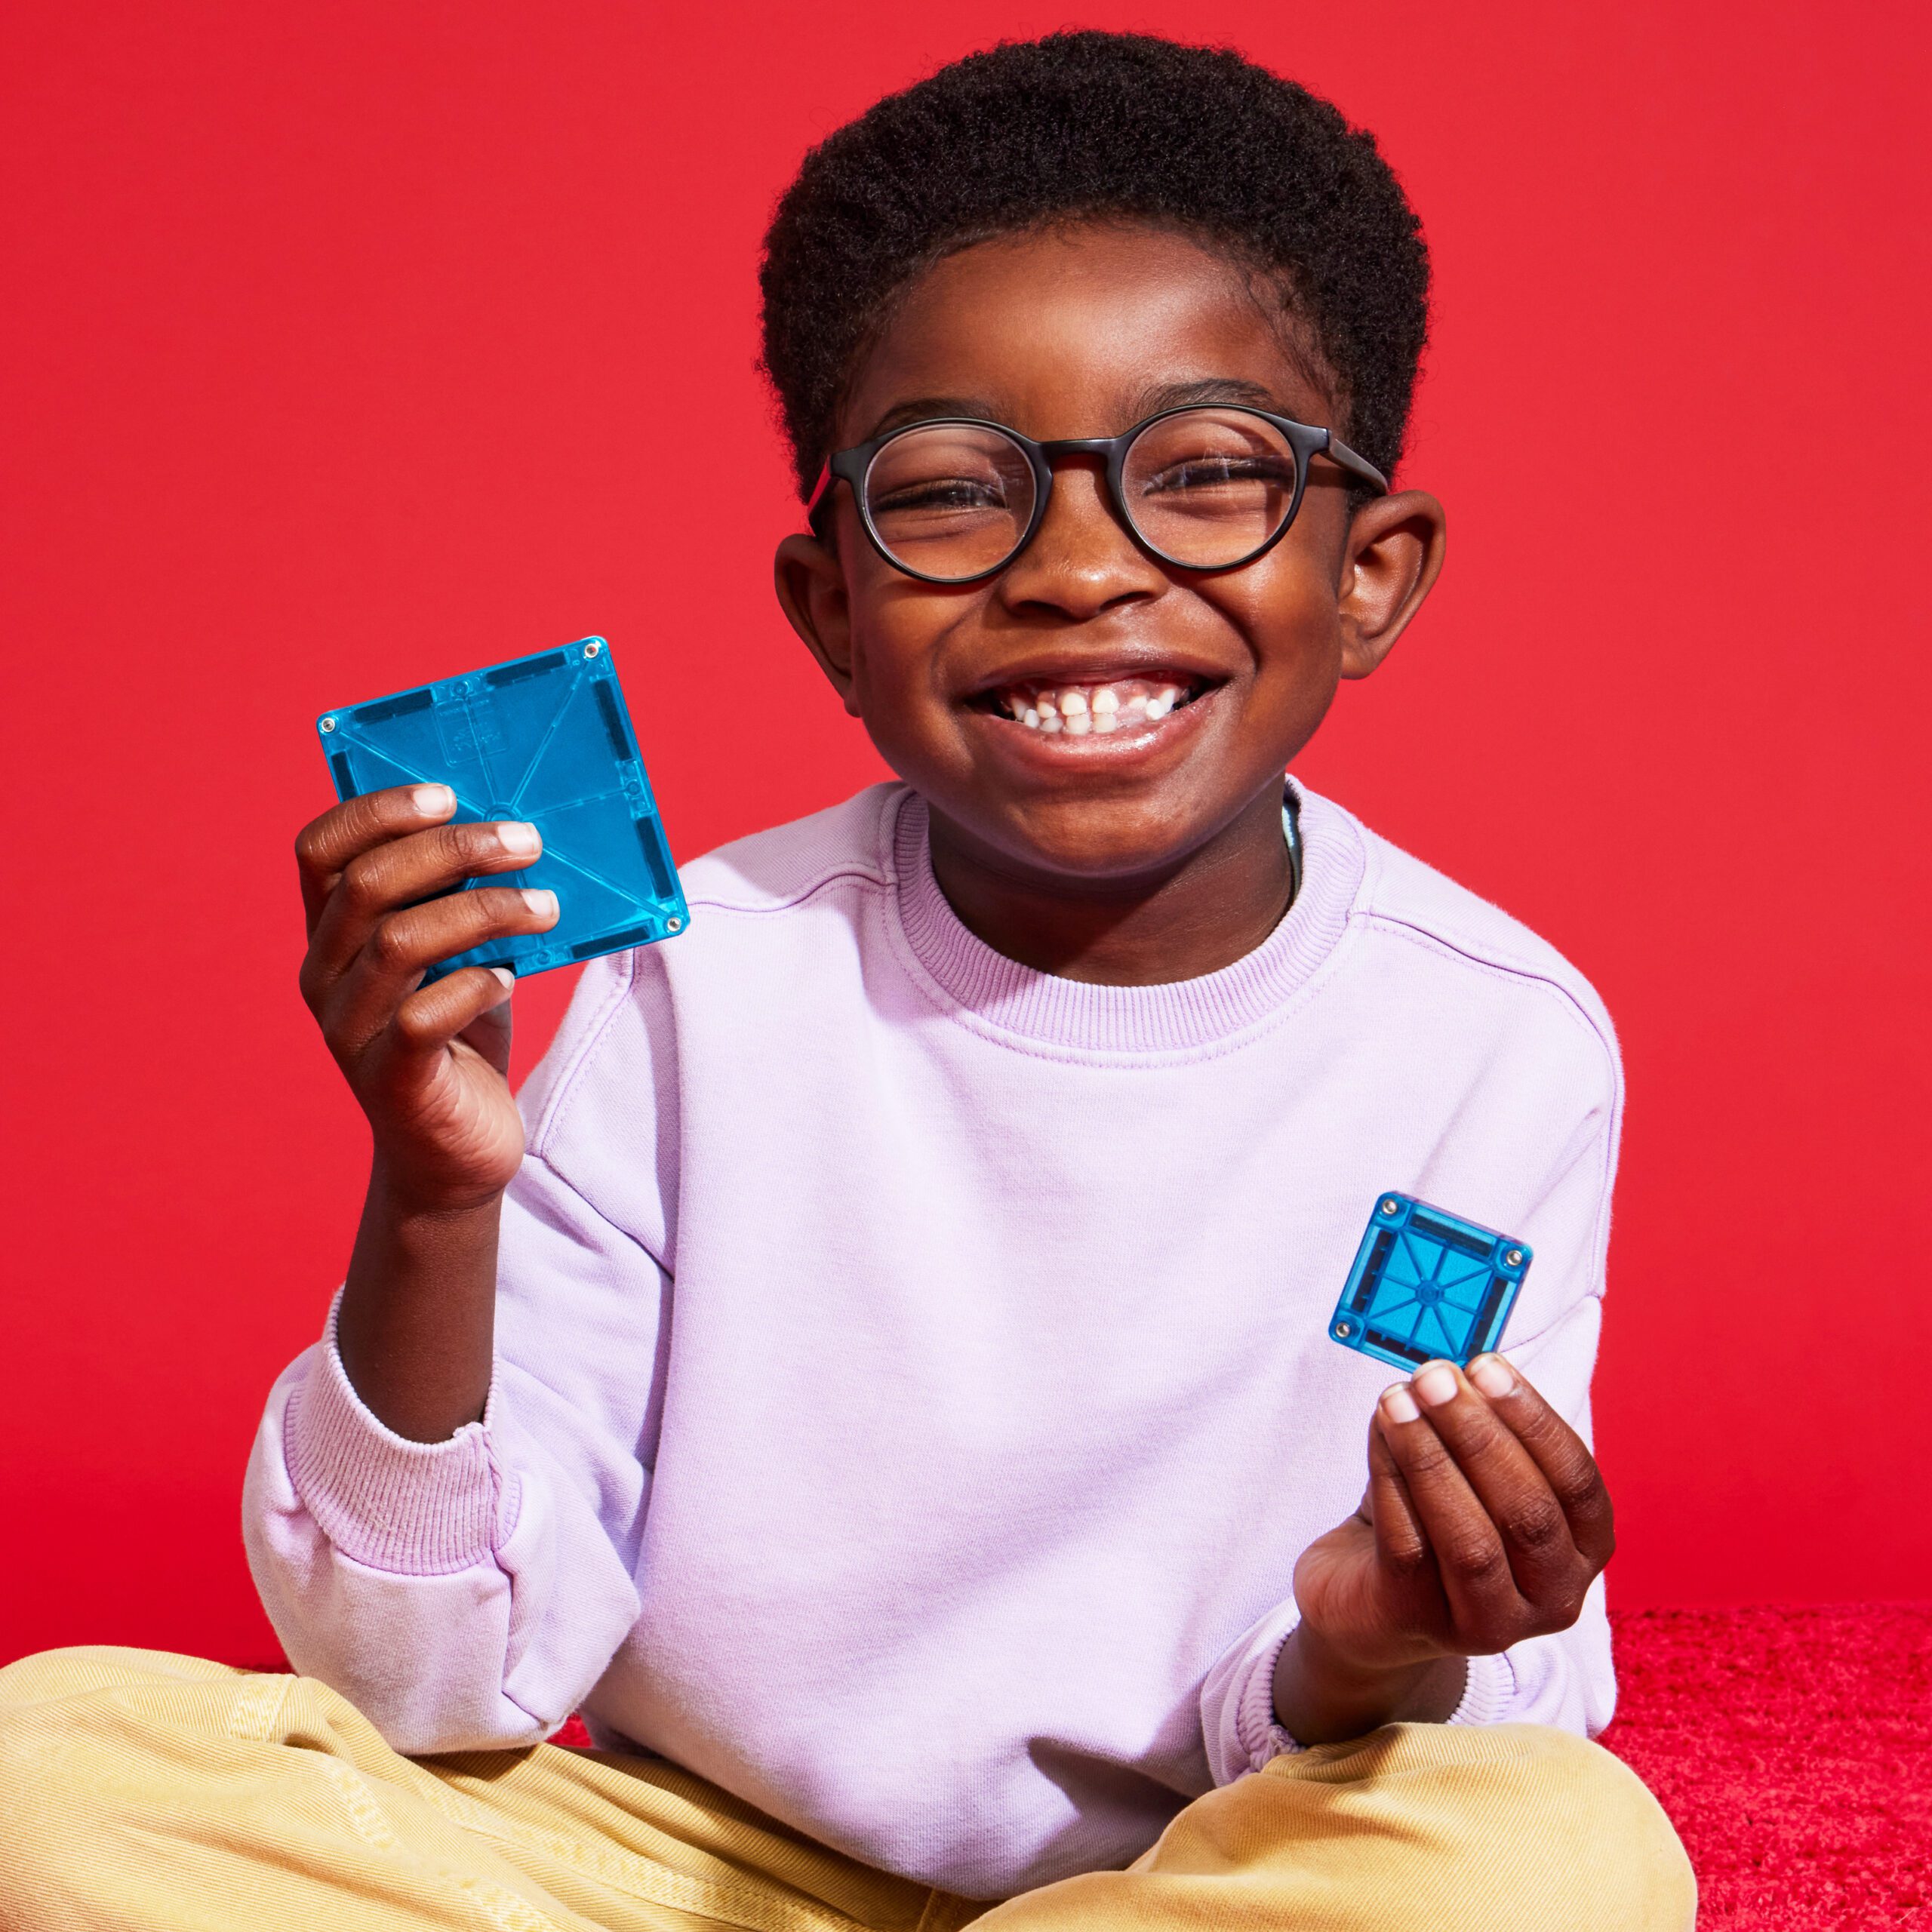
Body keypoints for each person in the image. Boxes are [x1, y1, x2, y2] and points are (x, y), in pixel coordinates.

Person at [0, 30, 1694, 1930]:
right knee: (43, 1774)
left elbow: (1467, 1723)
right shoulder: (697, 986)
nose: (1071, 568)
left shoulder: (1489, 1036)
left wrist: (1364, 1643)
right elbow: (427, 1686)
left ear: (1370, 571)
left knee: (1556, 1856)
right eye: (954, 492)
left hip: (1188, 1874)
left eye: (1205, 472)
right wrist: (432, 1195)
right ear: (829, 612)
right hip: (686, 1867)